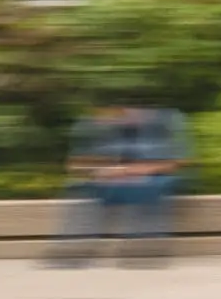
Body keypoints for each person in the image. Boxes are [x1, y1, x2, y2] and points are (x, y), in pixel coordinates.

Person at [48, 103, 188, 268]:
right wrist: (101, 171)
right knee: (83, 189)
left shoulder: (166, 121)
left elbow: (177, 162)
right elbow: (75, 164)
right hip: (110, 180)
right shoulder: (96, 126)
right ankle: (73, 249)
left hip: (154, 179)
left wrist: (134, 170)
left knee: (147, 189)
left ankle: (144, 249)